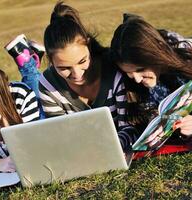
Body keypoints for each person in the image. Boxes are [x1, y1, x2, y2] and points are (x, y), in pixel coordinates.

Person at [110, 16, 192, 156]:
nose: (137, 79)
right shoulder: (131, 80)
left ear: (156, 56)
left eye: (140, 70)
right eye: (129, 73)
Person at [39, 1, 139, 151]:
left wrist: (112, 146)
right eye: (64, 68)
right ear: (50, 60)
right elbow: (62, 134)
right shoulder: (48, 84)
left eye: (82, 61)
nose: (77, 74)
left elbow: (131, 127)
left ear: (89, 46)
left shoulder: (114, 71)